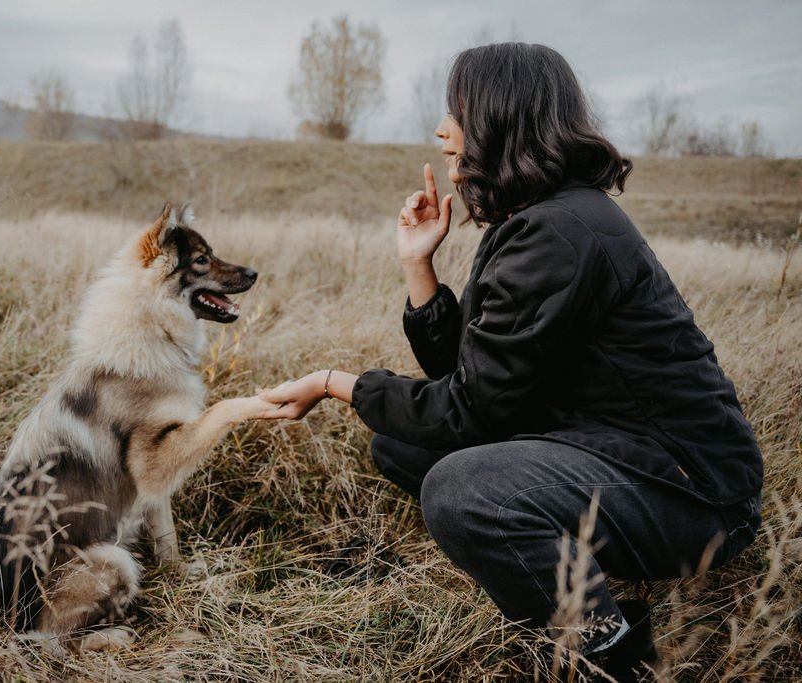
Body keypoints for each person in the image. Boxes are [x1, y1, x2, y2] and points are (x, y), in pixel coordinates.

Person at [256, 43, 762, 681]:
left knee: (461, 489)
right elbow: (471, 380)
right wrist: (419, 266)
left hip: (695, 494)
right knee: (402, 447)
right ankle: (562, 568)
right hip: (614, 450)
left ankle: (610, 654)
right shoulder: (534, 222)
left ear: (500, 119)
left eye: (458, 111)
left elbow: (468, 410)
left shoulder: (562, 232)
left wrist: (335, 384)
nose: (443, 131)